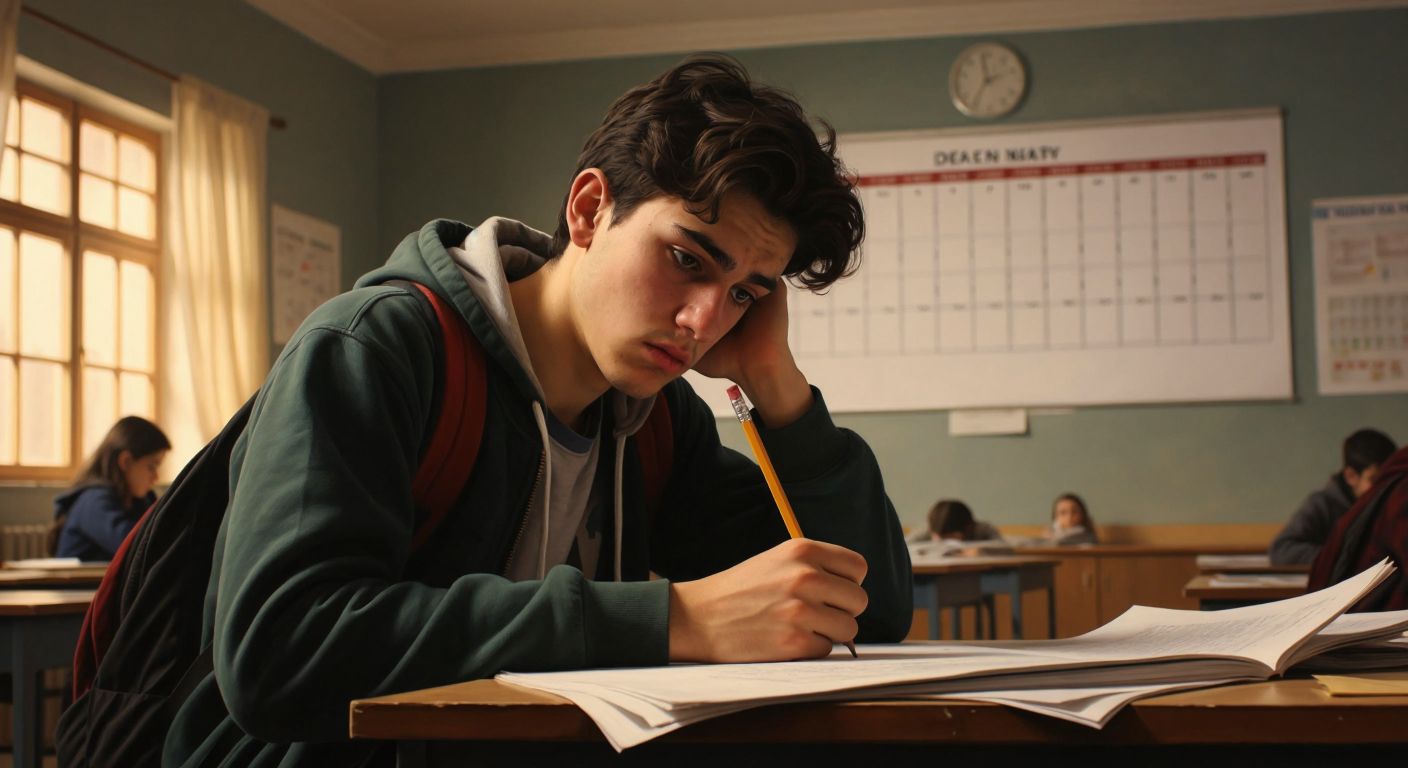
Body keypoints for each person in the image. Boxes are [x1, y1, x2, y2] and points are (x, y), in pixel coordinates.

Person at [165, 55, 912, 766]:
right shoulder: (376, 347)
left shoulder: (655, 418)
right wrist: (673, 620)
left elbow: (865, 611)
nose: (703, 322)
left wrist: (777, 385)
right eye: (687, 259)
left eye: (744, 293)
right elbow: (281, 653)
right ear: (589, 209)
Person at [49, 416, 169, 562]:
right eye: (152, 466)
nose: (156, 477)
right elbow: (138, 548)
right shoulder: (93, 502)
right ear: (126, 461)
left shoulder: (140, 501)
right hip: (79, 578)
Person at [1269, 428, 1396, 565]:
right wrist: (1341, 559)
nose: (1385, 486)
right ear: (1351, 476)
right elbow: (1282, 550)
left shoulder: (1396, 503)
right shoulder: (1322, 504)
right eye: (1374, 479)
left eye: (1391, 478)